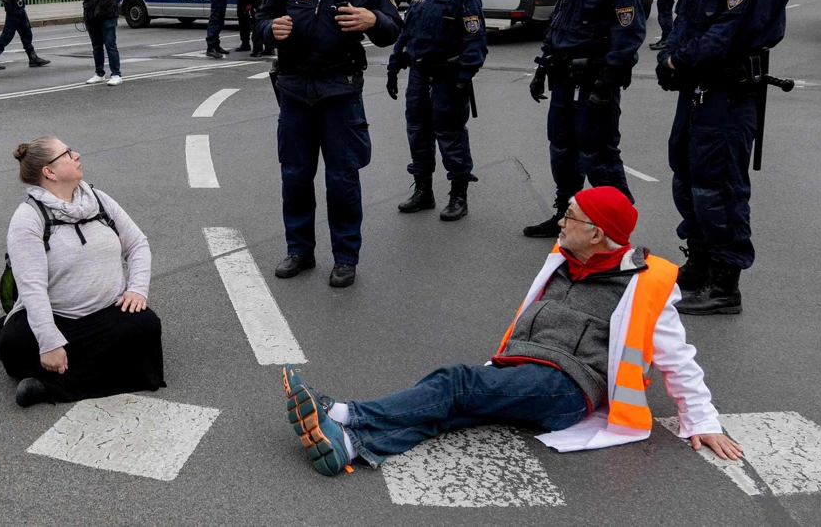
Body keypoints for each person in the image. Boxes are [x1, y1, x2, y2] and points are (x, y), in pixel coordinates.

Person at [280, 186, 742, 477]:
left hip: (567, 388)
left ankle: (346, 414)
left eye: (571, 218)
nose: (561, 222)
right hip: (525, 367)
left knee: (456, 383)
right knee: (453, 412)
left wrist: (702, 421)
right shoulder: (565, 259)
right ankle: (352, 447)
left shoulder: (645, 285)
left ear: (599, 233)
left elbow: (679, 358)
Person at [656, 0, 789, 316]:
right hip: (696, 87)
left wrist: (679, 60)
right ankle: (699, 264)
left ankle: (724, 284)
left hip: (728, 92)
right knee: (686, 176)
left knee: (720, 187)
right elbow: (686, 17)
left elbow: (732, 30)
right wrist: (669, 54)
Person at [255, 0, 402, 288]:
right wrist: (272, 31)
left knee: (342, 180)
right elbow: (260, 20)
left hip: (340, 91)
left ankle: (345, 257)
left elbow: (393, 29)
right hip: (294, 90)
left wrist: (374, 20)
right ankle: (300, 250)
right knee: (295, 177)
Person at [0, 136, 162, 407]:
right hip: (57, 316)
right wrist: (49, 341)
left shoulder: (99, 200)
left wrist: (137, 289)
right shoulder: (27, 219)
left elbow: (137, 245)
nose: (76, 155)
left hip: (106, 312)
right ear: (49, 172)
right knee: (16, 343)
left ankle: (46, 385)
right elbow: (32, 287)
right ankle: (87, 371)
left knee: (146, 325)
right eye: (67, 153)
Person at [524, 0, 645, 239]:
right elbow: (560, 26)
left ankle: (619, 229)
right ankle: (565, 215)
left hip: (594, 82)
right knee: (562, 150)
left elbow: (628, 36)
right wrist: (541, 67)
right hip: (563, 78)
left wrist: (607, 83)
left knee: (599, 156)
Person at [386, 0, 487, 221]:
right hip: (419, 72)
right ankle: (423, 191)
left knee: (450, 134)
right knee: (417, 131)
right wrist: (394, 67)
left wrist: (464, 77)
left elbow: (475, 40)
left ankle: (458, 195)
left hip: (447, 76)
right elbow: (406, 33)